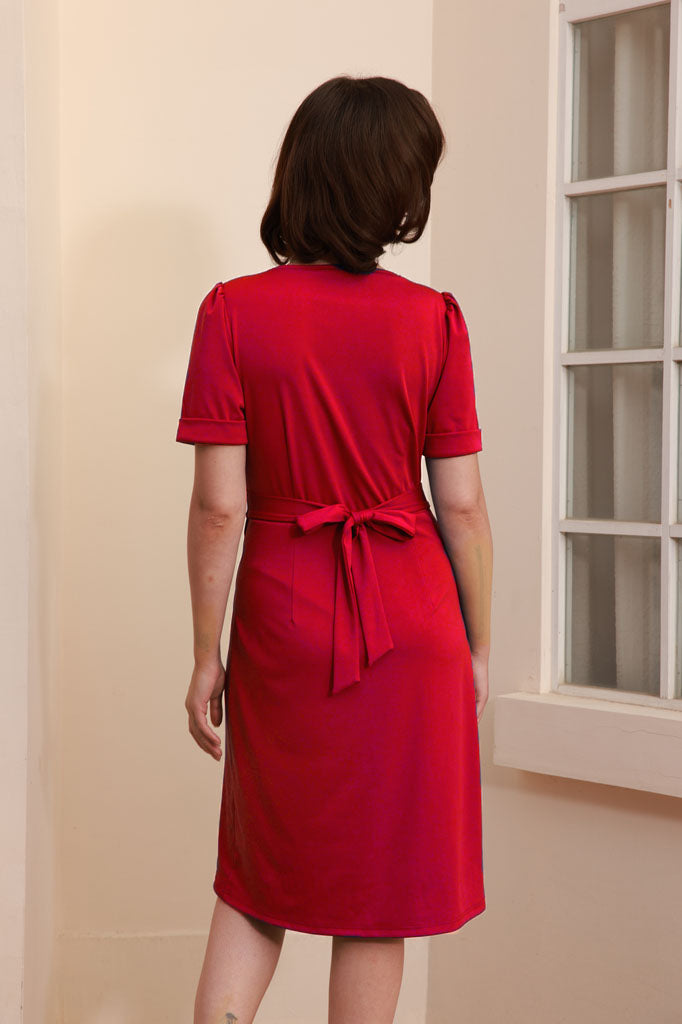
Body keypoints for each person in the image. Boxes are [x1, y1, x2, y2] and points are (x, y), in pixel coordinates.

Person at [176, 74, 493, 1024]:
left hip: (285, 621)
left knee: (257, 877)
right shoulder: (433, 319)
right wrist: (476, 646)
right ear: (397, 186)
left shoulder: (232, 312)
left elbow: (220, 509)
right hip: (414, 624)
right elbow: (463, 505)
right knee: (378, 894)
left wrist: (205, 653)